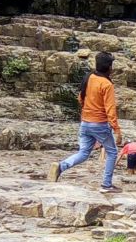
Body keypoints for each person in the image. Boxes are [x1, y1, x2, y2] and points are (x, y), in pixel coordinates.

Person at [48, 51, 123, 192]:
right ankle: (106, 185)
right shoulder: (106, 84)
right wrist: (117, 129)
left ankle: (61, 166)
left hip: (85, 123)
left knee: (83, 153)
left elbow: (80, 98)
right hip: (99, 124)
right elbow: (110, 110)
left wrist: (87, 111)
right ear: (109, 67)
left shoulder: (89, 77)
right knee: (112, 152)